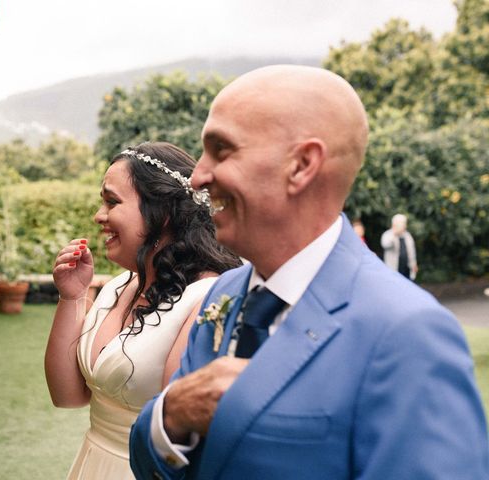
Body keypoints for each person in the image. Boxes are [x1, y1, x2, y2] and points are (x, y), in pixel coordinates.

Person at [129, 66, 489, 479]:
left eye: (222, 150)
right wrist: (171, 414)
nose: (197, 177)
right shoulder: (223, 294)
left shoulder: (408, 332)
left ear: (302, 165)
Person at [45, 142, 241, 479]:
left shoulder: (206, 299)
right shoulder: (119, 286)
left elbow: (181, 428)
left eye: (112, 202)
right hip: (92, 463)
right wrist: (73, 296)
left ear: (162, 213)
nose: (98, 216)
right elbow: (67, 395)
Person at [381, 213, 418, 280]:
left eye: (404, 223)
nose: (404, 226)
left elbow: (411, 251)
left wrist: (413, 264)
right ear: (395, 224)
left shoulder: (407, 235)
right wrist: (394, 234)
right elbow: (385, 244)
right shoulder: (388, 234)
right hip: (393, 269)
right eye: (402, 224)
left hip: (406, 269)